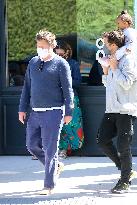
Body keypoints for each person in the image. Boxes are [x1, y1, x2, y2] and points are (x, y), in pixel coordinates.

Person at [18, 29, 74, 195]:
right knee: (31, 145)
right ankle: (56, 166)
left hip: (54, 112)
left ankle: (48, 185)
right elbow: (27, 87)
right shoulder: (33, 63)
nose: (40, 49)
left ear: (52, 46)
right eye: (38, 46)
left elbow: (68, 89)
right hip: (35, 112)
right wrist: (22, 108)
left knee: (51, 150)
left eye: (43, 46)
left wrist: (69, 111)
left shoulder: (61, 64)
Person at [96, 30, 137, 194]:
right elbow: (109, 85)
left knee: (123, 146)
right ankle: (125, 169)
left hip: (125, 109)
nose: (105, 47)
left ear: (113, 45)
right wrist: (106, 71)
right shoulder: (112, 60)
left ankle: (124, 181)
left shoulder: (128, 60)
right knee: (102, 140)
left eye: (106, 44)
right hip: (111, 108)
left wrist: (114, 68)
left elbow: (128, 83)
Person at [54, 41, 84, 159]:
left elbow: (78, 81)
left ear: (67, 52)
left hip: (70, 97)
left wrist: (65, 83)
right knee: (55, 124)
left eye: (61, 54)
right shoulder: (51, 63)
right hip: (55, 98)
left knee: (71, 124)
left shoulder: (73, 64)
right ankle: (54, 149)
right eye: (57, 54)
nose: (59, 56)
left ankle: (65, 149)